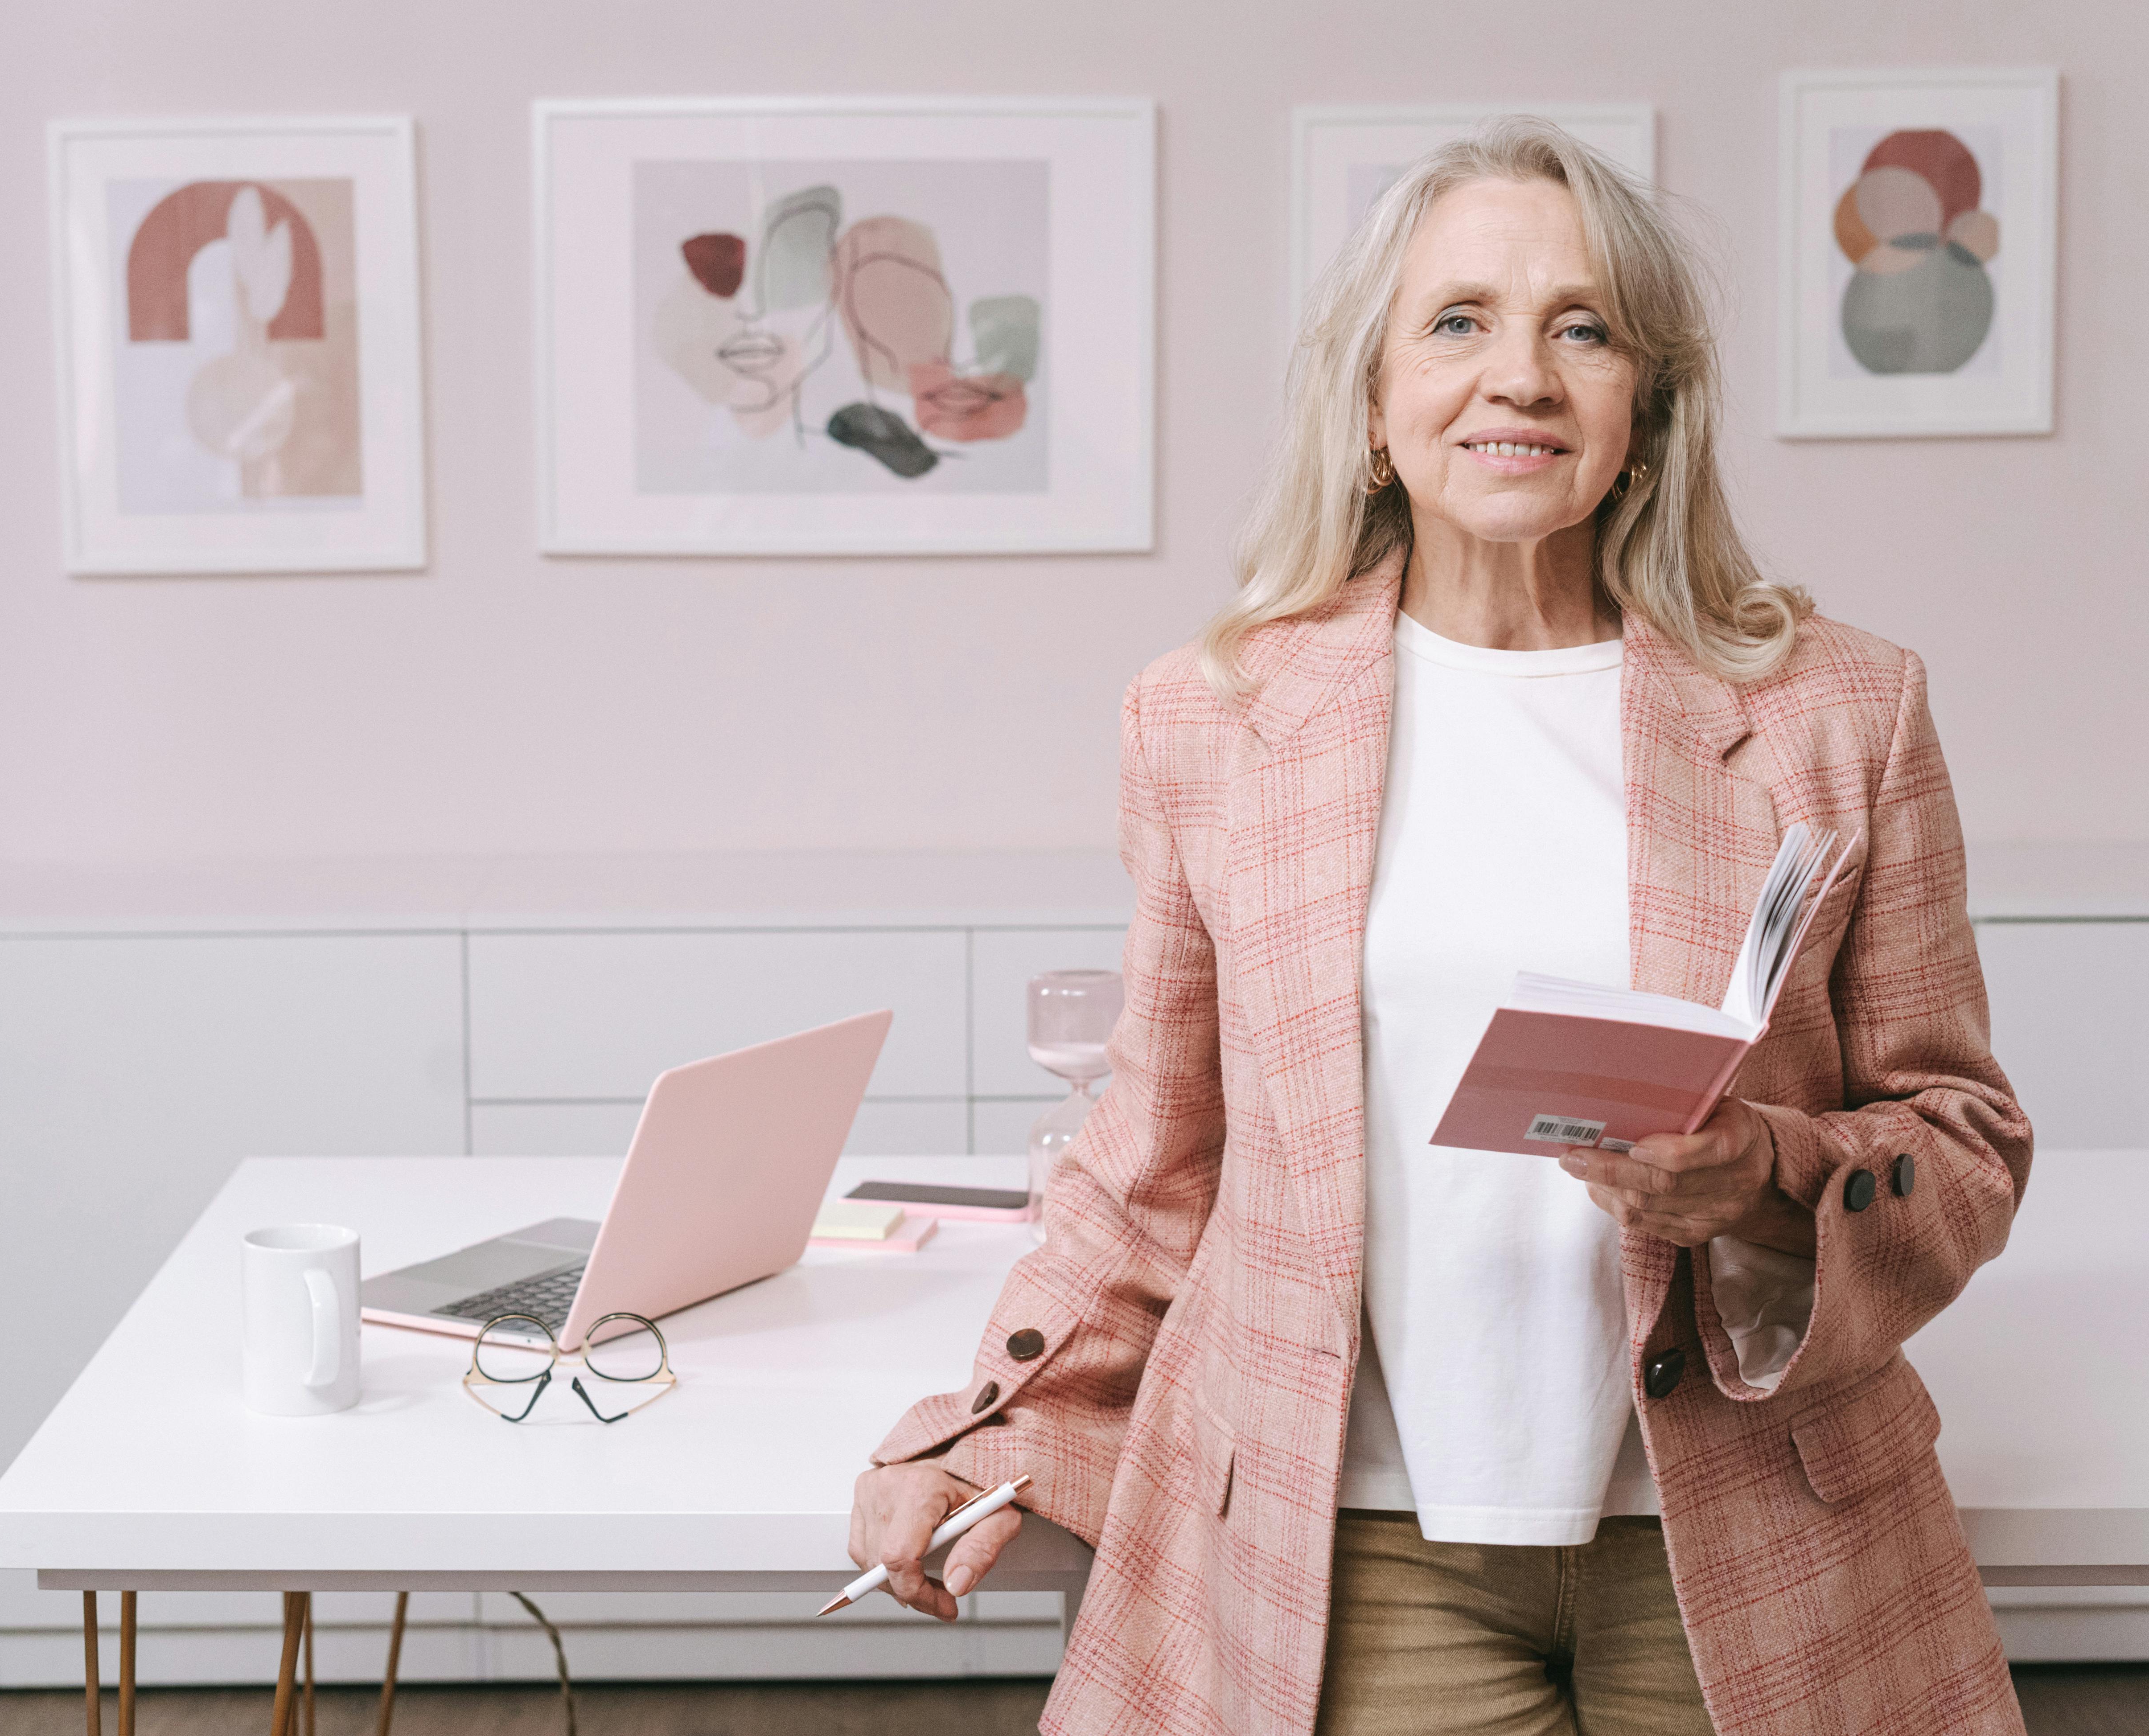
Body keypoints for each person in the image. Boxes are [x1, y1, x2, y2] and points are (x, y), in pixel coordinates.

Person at [846, 119, 2031, 1736]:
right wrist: (985, 1434)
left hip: (1747, 1522)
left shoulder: (1839, 710)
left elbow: (1958, 1138)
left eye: (1583, 327)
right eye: (1457, 322)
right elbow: (1156, 1161)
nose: (1520, 375)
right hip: (1359, 1542)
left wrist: (1761, 1175)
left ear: (1646, 408)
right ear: (1375, 407)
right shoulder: (1215, 719)